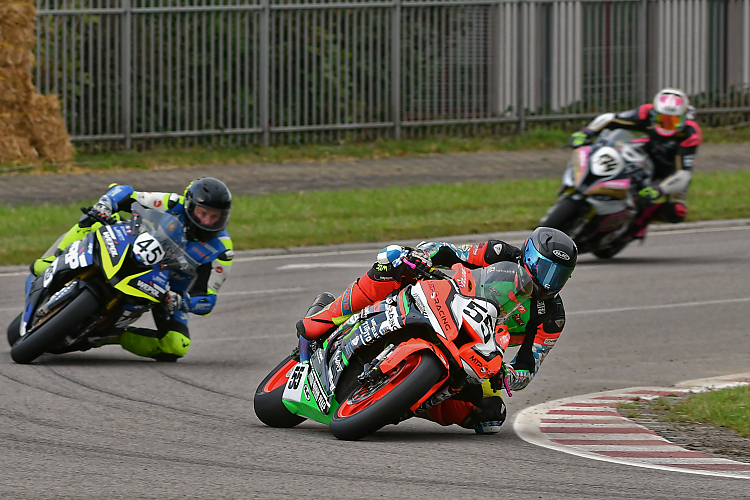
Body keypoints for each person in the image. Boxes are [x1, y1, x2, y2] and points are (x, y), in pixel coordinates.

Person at [296, 227, 577, 433]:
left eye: (558, 275)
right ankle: (323, 319)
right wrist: (422, 256)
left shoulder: (552, 317)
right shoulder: (499, 253)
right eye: (543, 268)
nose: (547, 281)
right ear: (528, 255)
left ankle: (400, 401)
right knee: (393, 262)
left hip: (479, 348)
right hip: (445, 304)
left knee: (491, 415)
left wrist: (507, 374)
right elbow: (449, 251)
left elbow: (529, 367)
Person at [29, 177, 234, 362]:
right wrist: (106, 204)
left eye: (214, 216)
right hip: (133, 249)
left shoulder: (222, 250)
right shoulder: (172, 203)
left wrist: (181, 300)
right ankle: (52, 260)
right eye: (203, 213)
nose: (207, 221)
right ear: (190, 206)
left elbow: (207, 300)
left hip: (164, 291)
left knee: (176, 345)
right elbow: (126, 192)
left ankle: (112, 334)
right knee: (92, 221)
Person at [569, 88, 702, 238]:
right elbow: (609, 119)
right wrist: (587, 132)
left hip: (671, 170)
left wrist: (659, 190)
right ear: (654, 114)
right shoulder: (645, 112)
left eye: (673, 121)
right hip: (645, 150)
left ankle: (642, 220)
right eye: (662, 119)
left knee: (676, 211)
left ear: (685, 116)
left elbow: (683, 174)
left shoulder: (691, 134)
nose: (667, 124)